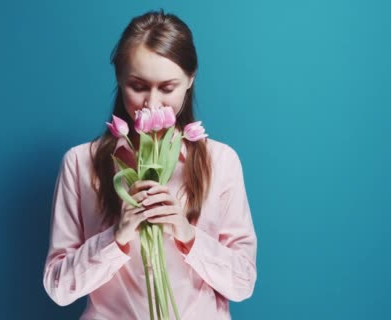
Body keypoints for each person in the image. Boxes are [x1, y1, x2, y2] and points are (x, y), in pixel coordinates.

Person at [43, 9, 257, 319]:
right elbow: (58, 287)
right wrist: (116, 236)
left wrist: (187, 234)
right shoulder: (80, 163)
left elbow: (243, 284)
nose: (152, 104)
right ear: (119, 78)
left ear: (190, 79)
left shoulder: (221, 161)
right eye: (138, 86)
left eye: (167, 88)